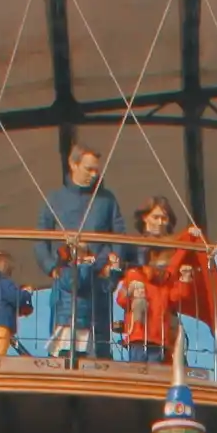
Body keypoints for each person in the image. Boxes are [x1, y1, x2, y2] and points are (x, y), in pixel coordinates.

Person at [36, 143, 129, 362]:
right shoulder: (55, 199)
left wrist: (113, 270)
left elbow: (120, 235)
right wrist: (52, 268)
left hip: (98, 281)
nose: (94, 175)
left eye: (97, 170)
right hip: (67, 280)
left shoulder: (107, 199)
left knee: (99, 346)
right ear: (73, 164)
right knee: (66, 340)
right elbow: (40, 238)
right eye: (89, 169)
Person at [116, 198, 189, 363]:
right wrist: (131, 289)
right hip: (139, 332)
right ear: (145, 217)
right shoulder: (135, 270)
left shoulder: (166, 272)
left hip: (160, 332)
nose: (161, 222)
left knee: (158, 369)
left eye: (164, 218)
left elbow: (174, 297)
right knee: (140, 370)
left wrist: (184, 280)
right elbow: (121, 298)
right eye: (156, 217)